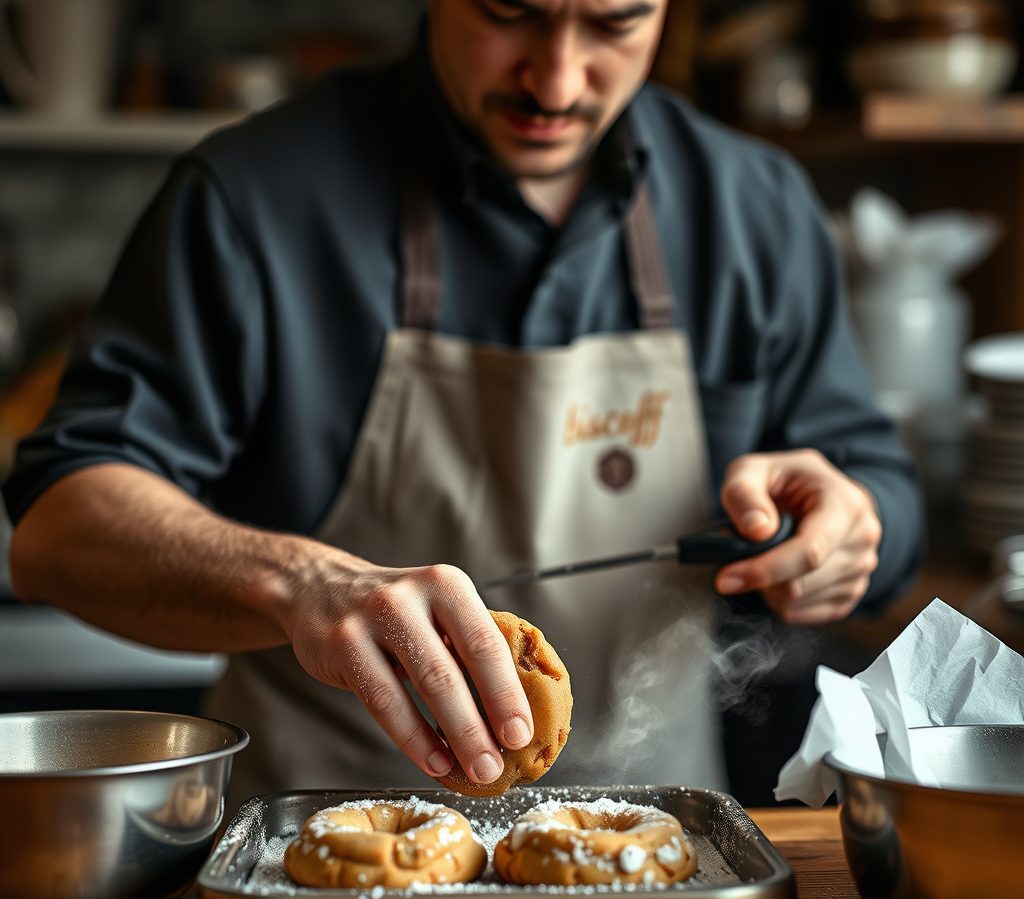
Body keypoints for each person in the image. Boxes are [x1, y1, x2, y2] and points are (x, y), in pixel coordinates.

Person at [4, 0, 920, 801]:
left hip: (649, 861)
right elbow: (58, 527)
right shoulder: (254, 197)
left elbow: (878, 487)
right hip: (309, 859)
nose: (557, 80)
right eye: (509, 10)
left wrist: (851, 530)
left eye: (615, 22)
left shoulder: (754, 209)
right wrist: (297, 584)